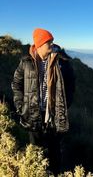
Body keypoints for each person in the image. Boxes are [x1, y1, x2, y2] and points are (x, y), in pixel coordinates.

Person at [12, 28, 75, 175]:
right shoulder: (26, 62)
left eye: (52, 42)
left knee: (55, 152)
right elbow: (16, 84)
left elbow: (71, 83)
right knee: (35, 150)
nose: (52, 45)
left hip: (54, 115)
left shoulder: (62, 62)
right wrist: (21, 106)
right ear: (39, 45)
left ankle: (54, 173)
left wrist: (66, 104)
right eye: (49, 43)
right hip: (33, 114)